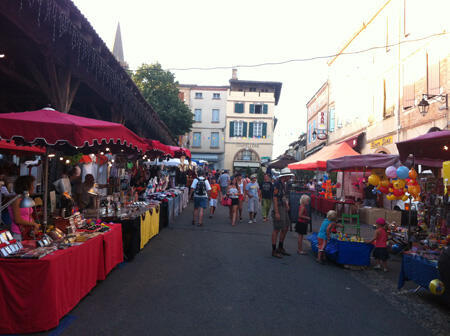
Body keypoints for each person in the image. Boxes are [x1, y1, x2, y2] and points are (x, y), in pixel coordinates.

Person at [271, 168, 294, 258]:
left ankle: (280, 247)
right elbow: (275, 198)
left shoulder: (284, 183)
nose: (290, 177)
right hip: (279, 207)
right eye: (289, 176)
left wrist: (286, 204)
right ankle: (274, 250)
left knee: (286, 227)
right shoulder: (277, 184)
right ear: (285, 176)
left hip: (283, 207)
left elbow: (283, 196)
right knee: (277, 229)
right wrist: (276, 212)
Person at [8, 175, 40, 241]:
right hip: (19, 233)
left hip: (28, 231)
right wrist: (34, 224)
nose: (33, 187)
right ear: (26, 186)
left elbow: (30, 215)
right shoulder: (16, 200)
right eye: (32, 185)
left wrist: (34, 227)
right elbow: (17, 220)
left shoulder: (26, 199)